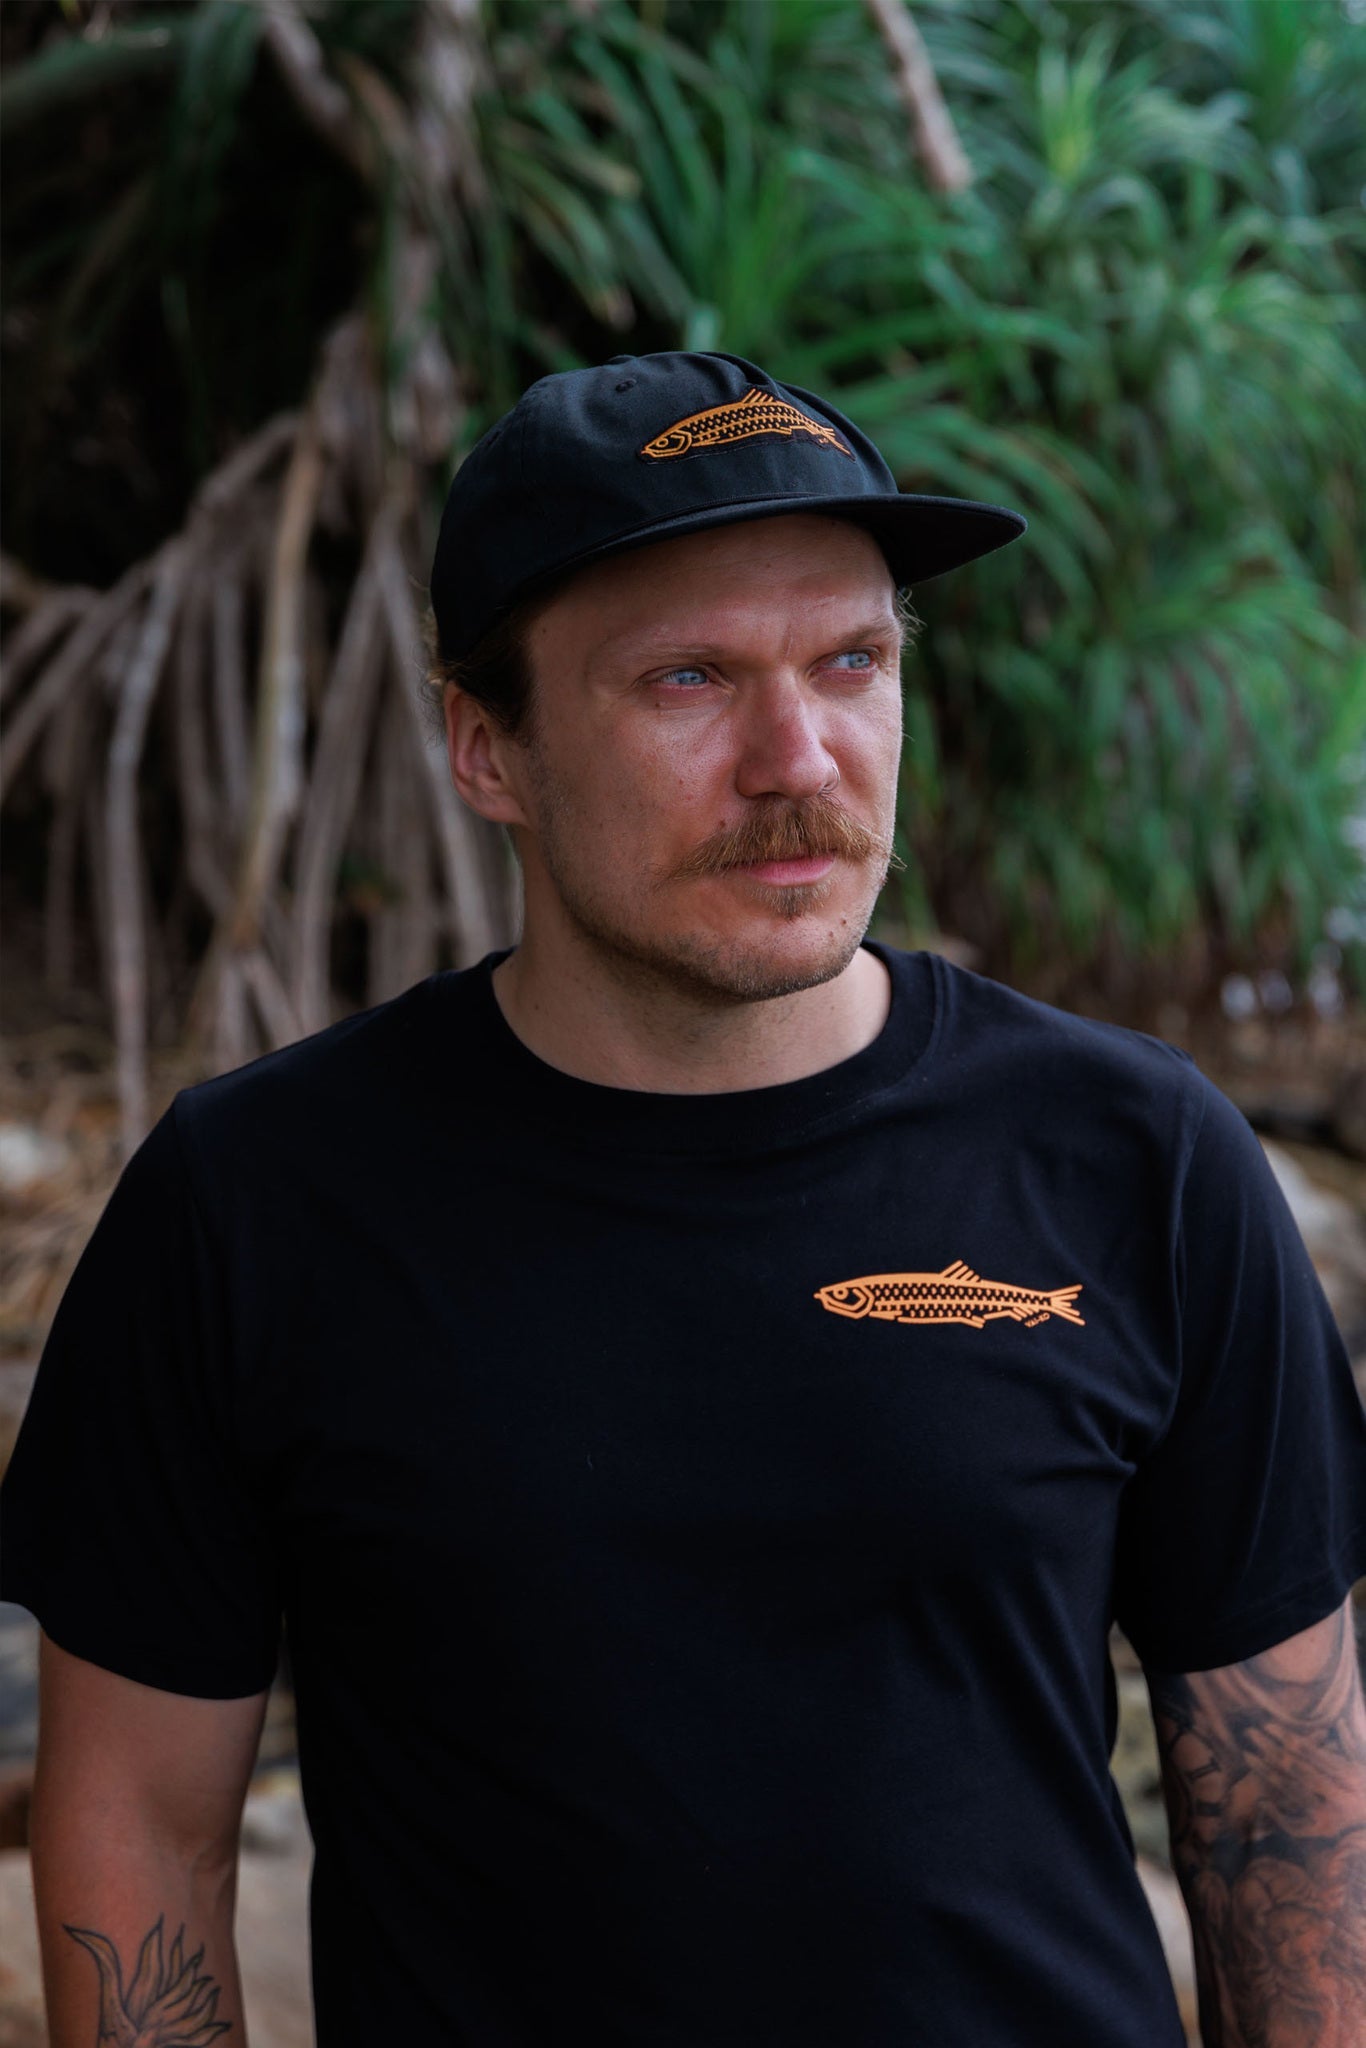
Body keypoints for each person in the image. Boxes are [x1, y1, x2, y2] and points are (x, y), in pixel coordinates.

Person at [2, 349, 1364, 2048]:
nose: (798, 756)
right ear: (486, 750)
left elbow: (1281, 1803)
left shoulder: (1136, 1158)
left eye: (851, 660)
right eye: (688, 679)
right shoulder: (255, 1201)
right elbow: (142, 1822)